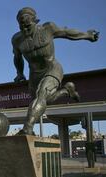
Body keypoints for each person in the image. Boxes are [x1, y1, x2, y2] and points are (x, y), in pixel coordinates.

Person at [12, 7, 99, 135]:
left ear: (35, 21)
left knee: (42, 94)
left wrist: (87, 35)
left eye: (28, 25)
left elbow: (67, 32)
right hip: (34, 74)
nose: (25, 29)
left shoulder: (48, 29)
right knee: (45, 99)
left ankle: (27, 128)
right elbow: (17, 57)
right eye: (22, 26)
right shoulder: (17, 40)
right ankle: (67, 90)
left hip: (52, 68)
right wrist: (19, 73)